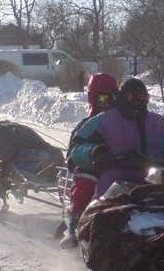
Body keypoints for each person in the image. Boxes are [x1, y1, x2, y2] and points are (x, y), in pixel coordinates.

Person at [69, 77, 164, 201]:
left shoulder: (159, 123)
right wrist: (95, 152)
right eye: (133, 97)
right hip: (118, 176)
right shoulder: (103, 121)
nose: (138, 102)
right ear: (122, 98)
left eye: (143, 97)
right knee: (103, 209)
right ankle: (89, 222)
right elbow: (77, 147)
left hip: (157, 177)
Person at [57, 72, 118, 247]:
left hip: (124, 165)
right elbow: (73, 154)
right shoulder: (87, 125)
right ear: (93, 98)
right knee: (86, 182)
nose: (109, 104)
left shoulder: (125, 121)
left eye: (114, 98)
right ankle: (74, 226)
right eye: (104, 98)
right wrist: (92, 154)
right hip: (94, 168)